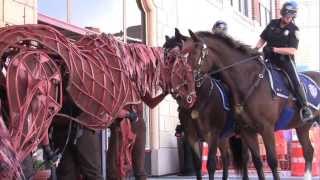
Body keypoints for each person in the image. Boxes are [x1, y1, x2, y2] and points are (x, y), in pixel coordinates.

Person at [255, 1, 313, 122]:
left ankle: (305, 107)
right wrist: (255, 50)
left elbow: (292, 50)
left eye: (290, 16)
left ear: (293, 16)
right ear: (282, 13)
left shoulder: (294, 30)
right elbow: (262, 38)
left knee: (295, 80)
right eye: (286, 15)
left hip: (285, 61)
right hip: (268, 59)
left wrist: (274, 49)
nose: (287, 17)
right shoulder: (272, 23)